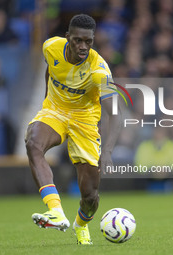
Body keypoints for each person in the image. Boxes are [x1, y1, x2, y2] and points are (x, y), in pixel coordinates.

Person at [25, 14, 120, 245]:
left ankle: (81, 224)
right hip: (55, 110)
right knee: (33, 143)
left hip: (85, 120)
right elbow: (51, 72)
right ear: (67, 37)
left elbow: (115, 113)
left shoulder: (100, 71)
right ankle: (55, 211)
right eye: (78, 40)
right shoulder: (50, 47)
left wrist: (107, 151)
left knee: (90, 195)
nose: (83, 46)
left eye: (88, 42)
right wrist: (47, 104)